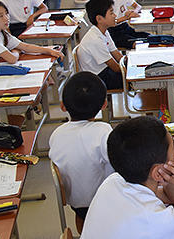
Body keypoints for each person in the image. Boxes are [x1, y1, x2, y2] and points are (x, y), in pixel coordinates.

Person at [81, 116, 174, 238]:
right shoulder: (157, 220)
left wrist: (173, 179)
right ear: (158, 172)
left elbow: (170, 197)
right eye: (173, 148)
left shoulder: (114, 181)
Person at [48, 71, 114, 234]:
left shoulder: (57, 133)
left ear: (63, 105)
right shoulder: (103, 130)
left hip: (76, 203)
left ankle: (85, 234)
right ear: (104, 104)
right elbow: (118, 163)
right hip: (104, 201)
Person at [0, 0, 63, 65]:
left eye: (6, 13)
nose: (6, 18)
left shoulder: (1, 32)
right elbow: (12, 59)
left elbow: (25, 46)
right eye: (0, 16)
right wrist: (16, 51)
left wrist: (49, 51)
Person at [78, 0, 123, 90]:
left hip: (104, 71)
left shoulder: (104, 31)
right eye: (111, 13)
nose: (115, 15)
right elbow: (115, 67)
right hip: (97, 79)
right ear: (99, 19)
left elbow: (117, 55)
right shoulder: (94, 39)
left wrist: (130, 63)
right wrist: (132, 73)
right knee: (137, 79)